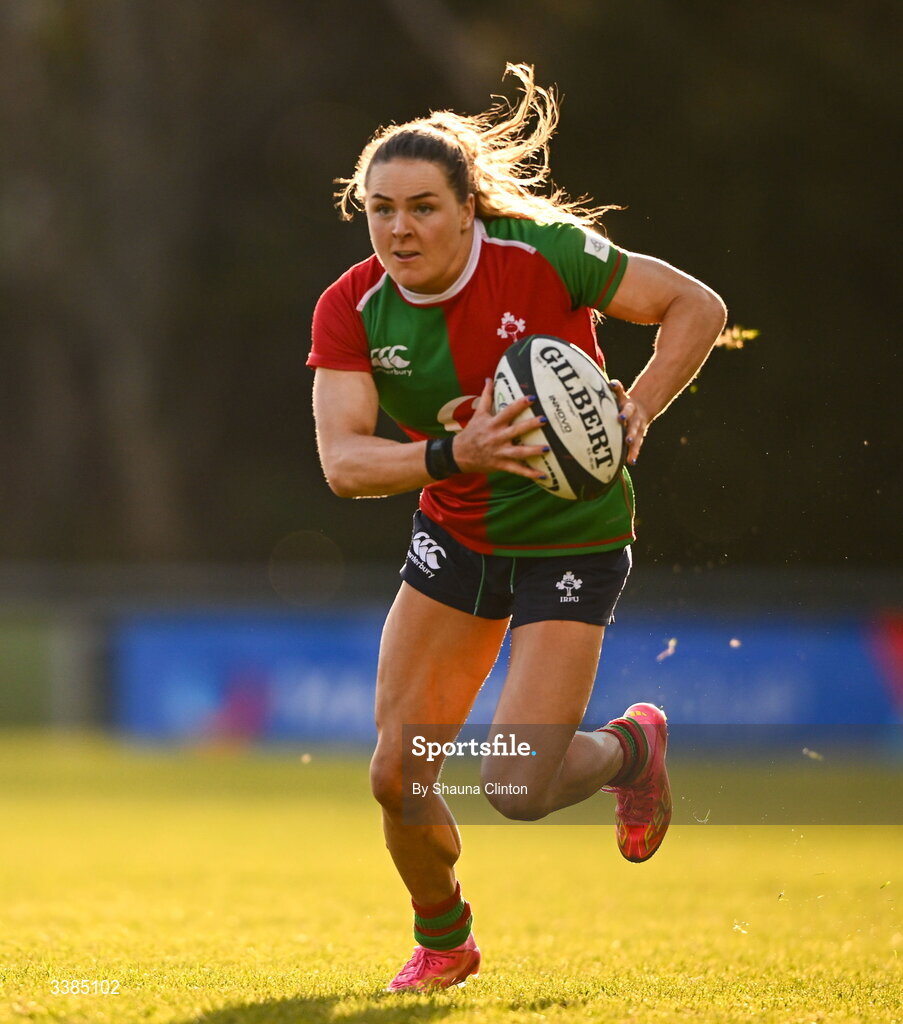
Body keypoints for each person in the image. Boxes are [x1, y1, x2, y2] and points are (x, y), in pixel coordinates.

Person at [308, 64, 727, 993]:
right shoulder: (352, 308)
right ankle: (443, 938)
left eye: (421, 207)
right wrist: (456, 459)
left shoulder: (546, 253)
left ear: (467, 210)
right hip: (454, 539)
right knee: (396, 773)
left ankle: (630, 750)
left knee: (515, 787)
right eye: (380, 209)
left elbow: (696, 308)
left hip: (571, 541)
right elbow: (343, 461)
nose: (399, 228)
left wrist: (639, 409)